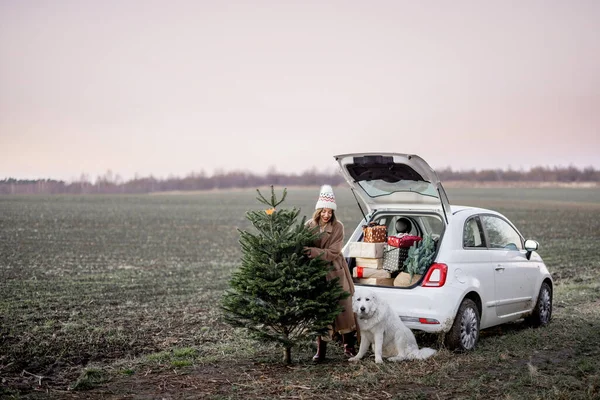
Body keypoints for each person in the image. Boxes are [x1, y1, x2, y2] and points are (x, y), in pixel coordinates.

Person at [304, 185, 357, 361]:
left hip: (335, 270)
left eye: (330, 212)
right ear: (318, 211)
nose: (327, 215)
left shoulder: (338, 227)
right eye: (324, 211)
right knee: (322, 311)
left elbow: (333, 252)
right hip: (318, 275)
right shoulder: (309, 226)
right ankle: (321, 351)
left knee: (344, 309)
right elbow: (301, 248)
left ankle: (348, 347)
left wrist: (312, 251)